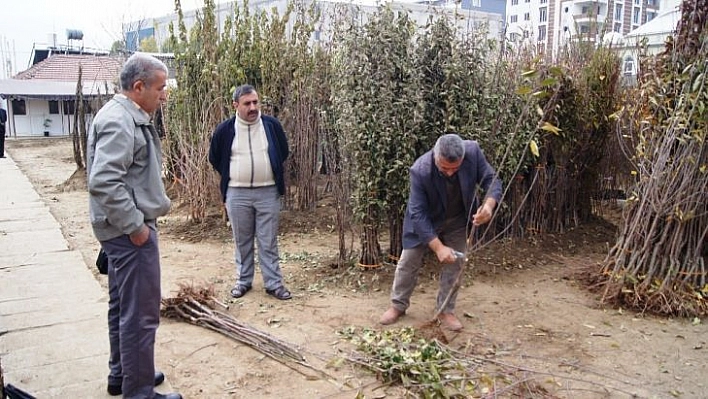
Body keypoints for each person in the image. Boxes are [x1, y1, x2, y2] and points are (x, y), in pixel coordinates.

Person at [87, 53, 181, 399]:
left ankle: (124, 374)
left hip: (119, 229)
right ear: (138, 86)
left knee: (122, 307)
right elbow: (105, 182)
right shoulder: (119, 121)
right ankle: (138, 391)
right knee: (140, 315)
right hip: (129, 233)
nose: (163, 95)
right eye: (159, 87)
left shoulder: (123, 115)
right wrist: (136, 227)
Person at [379, 133, 502, 331]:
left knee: (456, 262)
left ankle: (445, 310)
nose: (451, 173)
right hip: (425, 221)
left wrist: (488, 205)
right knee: (408, 261)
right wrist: (438, 247)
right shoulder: (421, 170)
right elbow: (417, 214)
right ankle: (398, 305)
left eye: (456, 168)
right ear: (436, 157)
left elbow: (492, 179)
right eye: (445, 168)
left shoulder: (473, 152)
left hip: (457, 218)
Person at [209, 84, 292, 300]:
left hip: (268, 193)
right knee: (242, 240)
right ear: (236, 105)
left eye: (255, 102)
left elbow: (282, 151)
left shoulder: (271, 126)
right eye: (247, 103)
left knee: (268, 241)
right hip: (237, 194)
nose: (253, 107)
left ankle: (273, 284)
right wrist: (236, 175)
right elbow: (215, 158)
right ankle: (243, 281)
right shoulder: (224, 130)